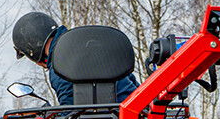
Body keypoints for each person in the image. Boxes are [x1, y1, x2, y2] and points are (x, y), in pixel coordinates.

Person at [11, 11, 139, 105]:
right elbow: (133, 85)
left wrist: (51, 115)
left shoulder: (59, 64)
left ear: (32, 48)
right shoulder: (96, 46)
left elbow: (70, 113)